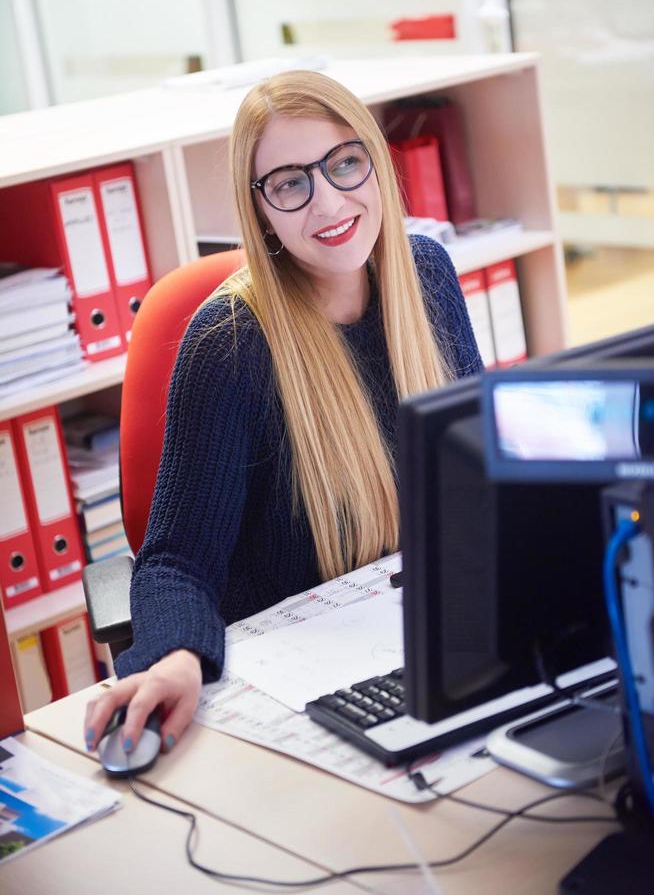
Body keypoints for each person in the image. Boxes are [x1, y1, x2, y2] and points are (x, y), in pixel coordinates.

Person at [84, 70, 482, 756]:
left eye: (344, 163)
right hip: (296, 679)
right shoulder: (230, 346)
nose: (328, 201)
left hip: (416, 632)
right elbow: (175, 559)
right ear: (260, 207)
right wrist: (178, 656)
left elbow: (478, 466)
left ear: (375, 162)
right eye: (291, 182)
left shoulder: (426, 276)